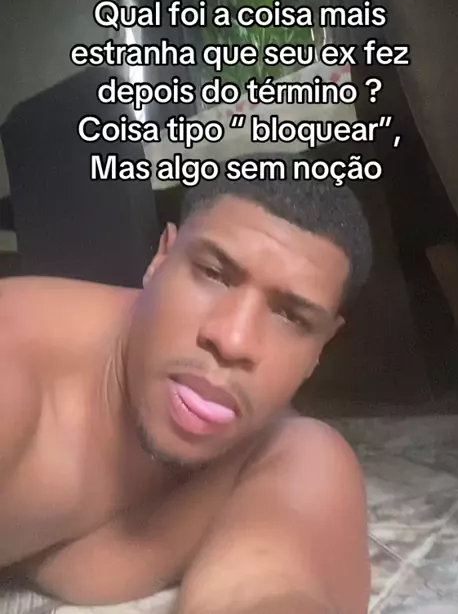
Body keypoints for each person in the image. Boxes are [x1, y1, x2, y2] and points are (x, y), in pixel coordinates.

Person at [0, 158, 373, 614]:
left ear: (322, 347)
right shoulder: (14, 378)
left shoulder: (285, 452)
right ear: (161, 259)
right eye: (213, 273)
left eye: (291, 317)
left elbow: (269, 586)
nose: (234, 339)